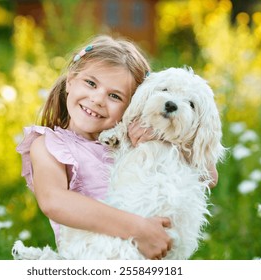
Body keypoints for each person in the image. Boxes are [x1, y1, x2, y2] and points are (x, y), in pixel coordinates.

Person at [17, 35, 217, 260]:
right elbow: (54, 202)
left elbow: (209, 176)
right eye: (91, 83)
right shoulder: (49, 145)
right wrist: (138, 229)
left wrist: (163, 134)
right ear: (70, 81)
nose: (98, 99)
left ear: (134, 103)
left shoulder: (134, 143)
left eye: (114, 96)